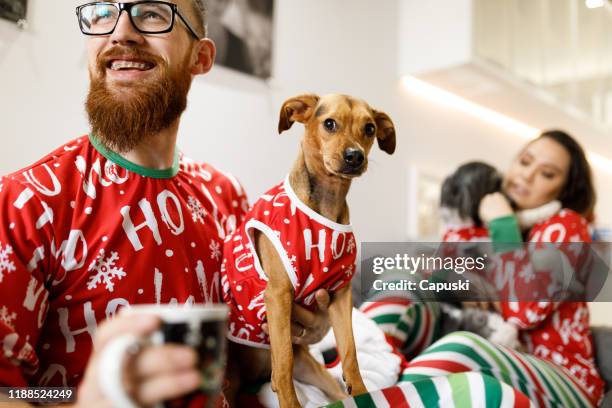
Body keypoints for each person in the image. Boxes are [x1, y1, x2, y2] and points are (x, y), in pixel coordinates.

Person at [0, 1, 331, 406]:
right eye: (103, 12)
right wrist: (84, 400)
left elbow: (244, 364)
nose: (120, 32)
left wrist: (293, 332)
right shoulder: (24, 203)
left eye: (152, 13)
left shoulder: (226, 195)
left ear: (201, 57)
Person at [358, 130, 604, 407]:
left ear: (566, 191)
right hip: (497, 355)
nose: (527, 175)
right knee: (401, 281)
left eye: (547, 174)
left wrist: (502, 225)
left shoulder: (568, 225)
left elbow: (525, 310)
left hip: (564, 379)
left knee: (462, 349)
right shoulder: (488, 223)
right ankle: (353, 373)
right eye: (524, 161)